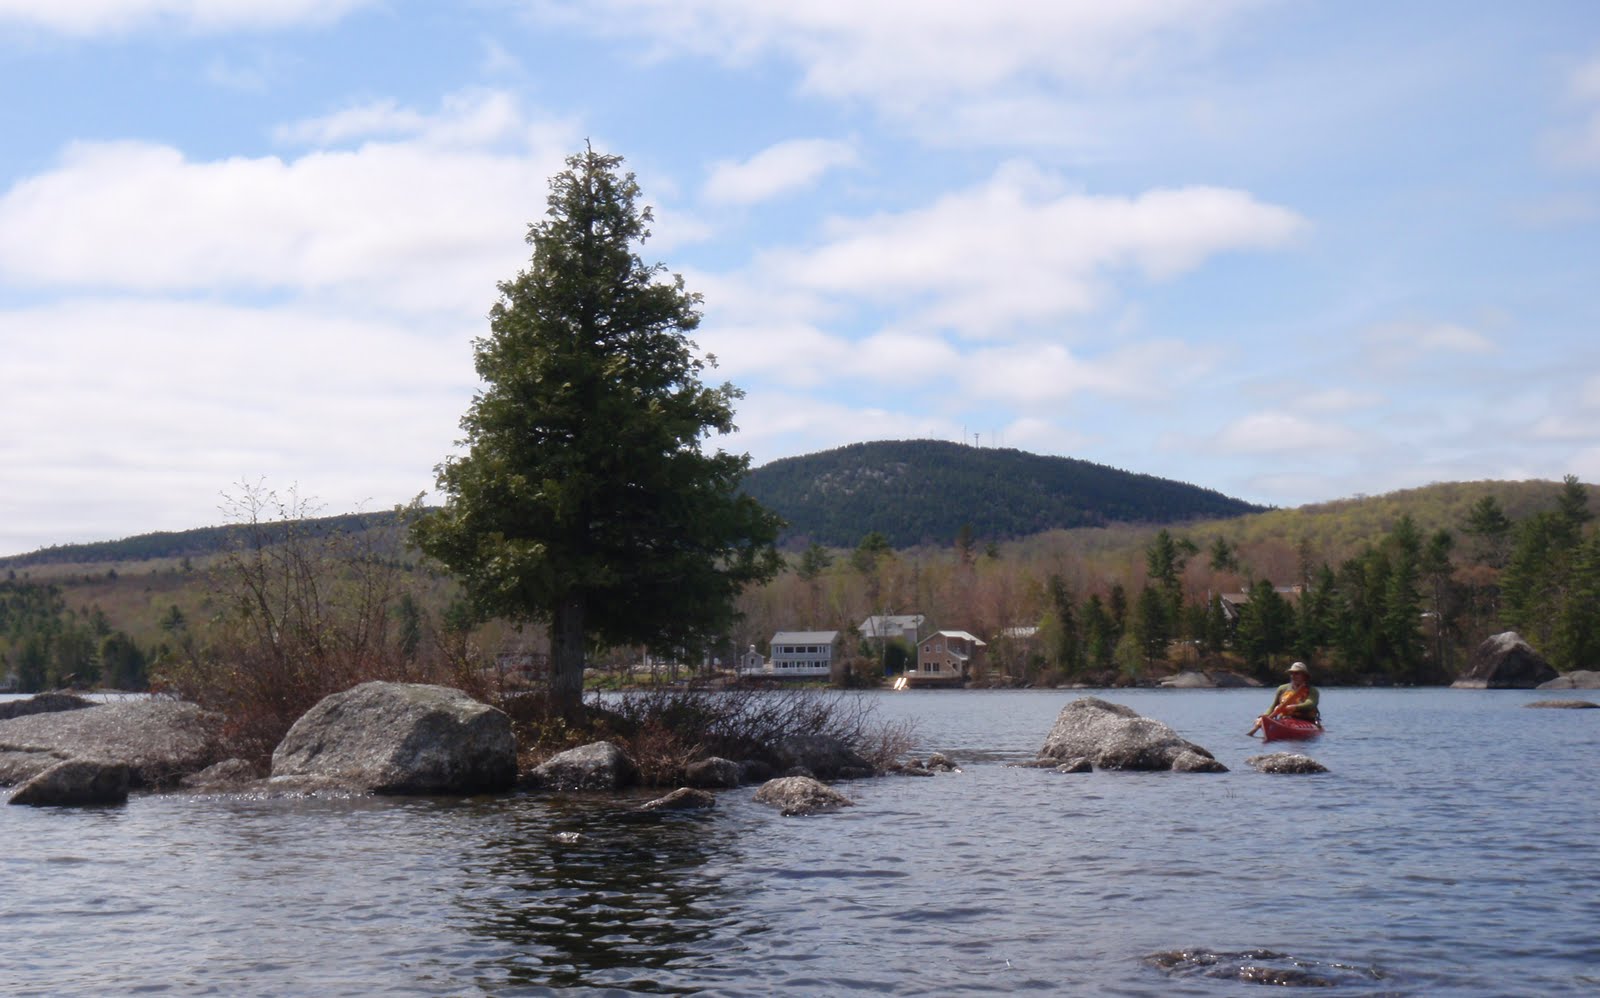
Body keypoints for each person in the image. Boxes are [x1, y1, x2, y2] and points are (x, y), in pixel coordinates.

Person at [1249, 661, 1321, 735]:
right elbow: (1273, 706)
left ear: (1304, 676)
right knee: (1262, 719)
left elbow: (1311, 704)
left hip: (1306, 720)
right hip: (1286, 719)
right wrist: (1264, 717)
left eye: (1297, 673)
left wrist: (1294, 707)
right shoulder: (1282, 689)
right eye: (1291, 673)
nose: (1293, 676)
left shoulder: (1312, 690)